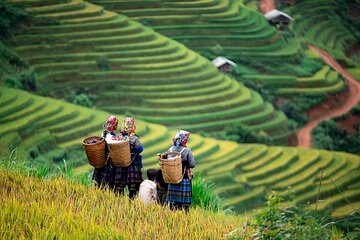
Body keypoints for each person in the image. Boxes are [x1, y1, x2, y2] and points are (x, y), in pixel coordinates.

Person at [113, 117, 143, 199]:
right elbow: (140, 149)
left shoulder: (119, 137)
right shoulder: (134, 138)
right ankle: (131, 201)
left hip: (121, 162)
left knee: (120, 184)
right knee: (132, 185)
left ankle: (119, 201)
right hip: (132, 163)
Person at [165, 130, 195, 212]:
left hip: (172, 178)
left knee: (173, 203)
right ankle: (185, 218)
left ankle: (172, 217)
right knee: (185, 205)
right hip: (183, 177)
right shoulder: (186, 151)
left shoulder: (170, 149)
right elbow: (192, 164)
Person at [92, 115, 119, 189]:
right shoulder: (111, 136)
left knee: (98, 181)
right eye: (116, 124)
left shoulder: (102, 134)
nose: (117, 126)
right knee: (106, 183)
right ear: (114, 126)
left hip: (100, 159)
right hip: (107, 161)